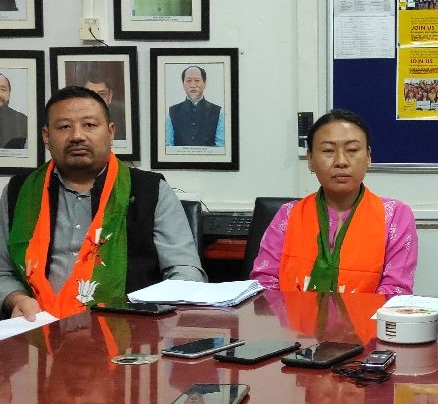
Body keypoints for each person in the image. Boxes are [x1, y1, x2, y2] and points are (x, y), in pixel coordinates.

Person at [0, 85, 206, 320]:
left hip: (128, 337)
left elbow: (186, 273)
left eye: (89, 125)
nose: (77, 135)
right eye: (64, 127)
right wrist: (16, 299)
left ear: (110, 132)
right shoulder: (19, 191)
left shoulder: (151, 190)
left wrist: (148, 315)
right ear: (46, 137)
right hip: (34, 333)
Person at [251, 109, 417, 294]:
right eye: (328, 151)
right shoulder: (288, 215)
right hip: (292, 322)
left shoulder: (395, 216)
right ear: (311, 159)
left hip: (367, 322)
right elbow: (264, 284)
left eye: (352, 150)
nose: (341, 161)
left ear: (368, 157)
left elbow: (395, 291)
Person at [166, 66, 224, 147]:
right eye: (189, 81)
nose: (193, 85)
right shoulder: (171, 112)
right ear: (183, 84)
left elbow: (221, 147)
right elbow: (167, 146)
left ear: (204, 83)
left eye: (197, 80)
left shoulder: (219, 112)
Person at [83, 68, 126, 141]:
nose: (96, 100)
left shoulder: (123, 120)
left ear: (110, 96)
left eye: (101, 94)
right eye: (90, 94)